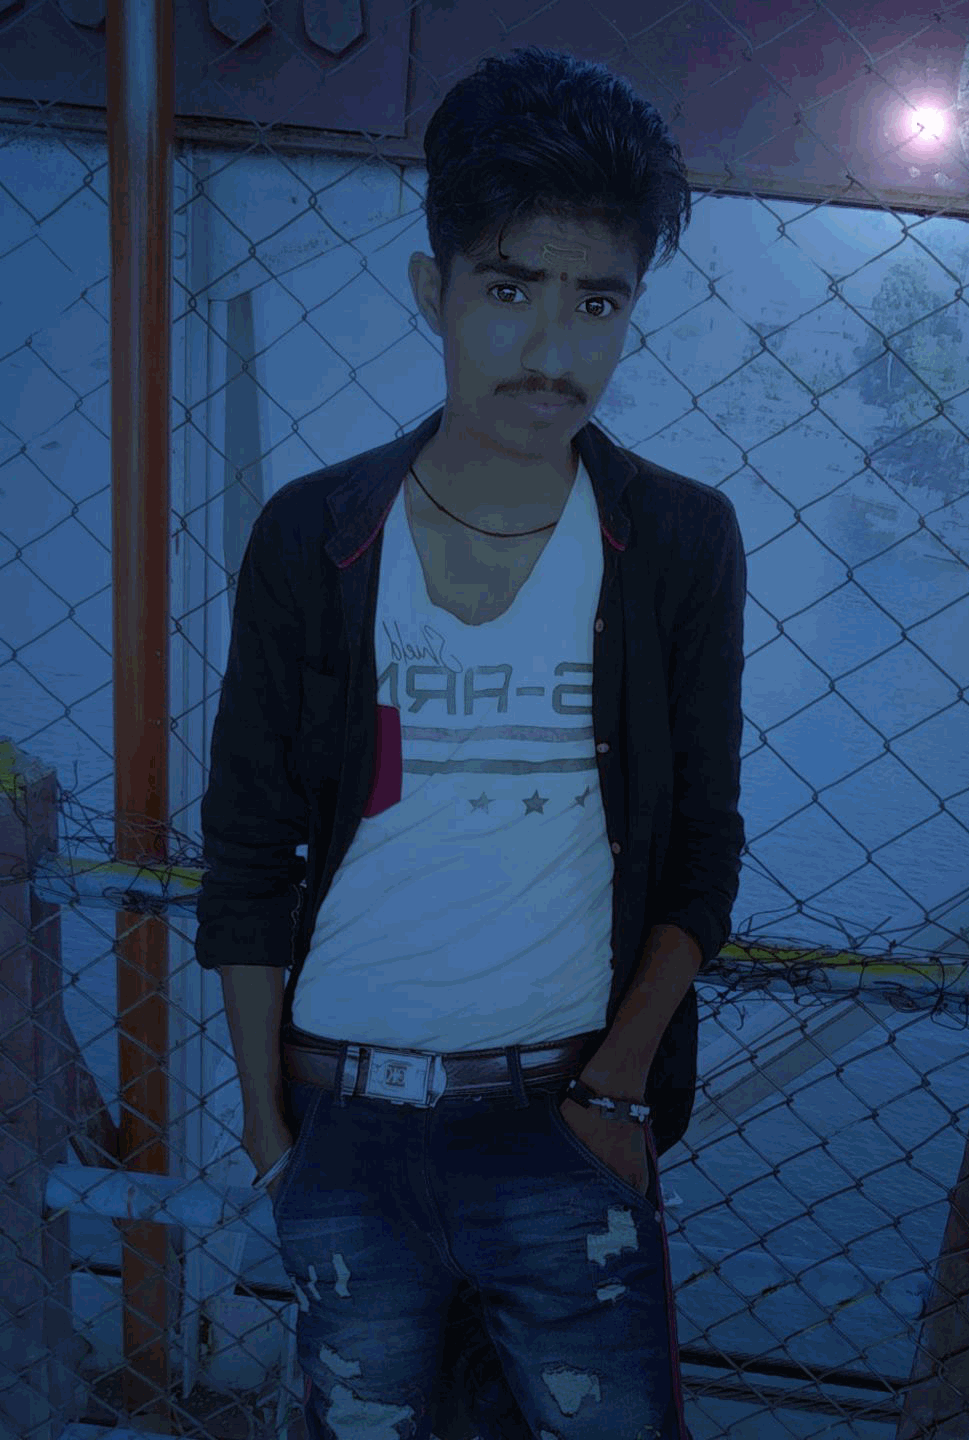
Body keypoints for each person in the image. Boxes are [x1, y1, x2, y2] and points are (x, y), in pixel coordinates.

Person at [196, 43, 746, 1440]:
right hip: (340, 1125)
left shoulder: (675, 541)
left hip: (563, 1123)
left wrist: (616, 1092)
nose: (553, 350)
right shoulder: (317, 537)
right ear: (431, 288)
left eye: (597, 301)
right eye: (509, 289)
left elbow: (701, 850)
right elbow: (249, 845)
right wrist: (269, 1131)